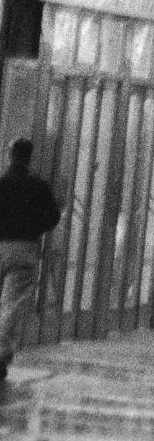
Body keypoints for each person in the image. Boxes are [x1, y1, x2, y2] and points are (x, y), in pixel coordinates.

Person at [0, 139, 60, 378]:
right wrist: (34, 226)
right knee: (10, 305)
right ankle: (0, 353)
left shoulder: (1, 184)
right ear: (29, 158)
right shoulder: (39, 187)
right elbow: (53, 218)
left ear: (10, 156)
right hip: (25, 247)